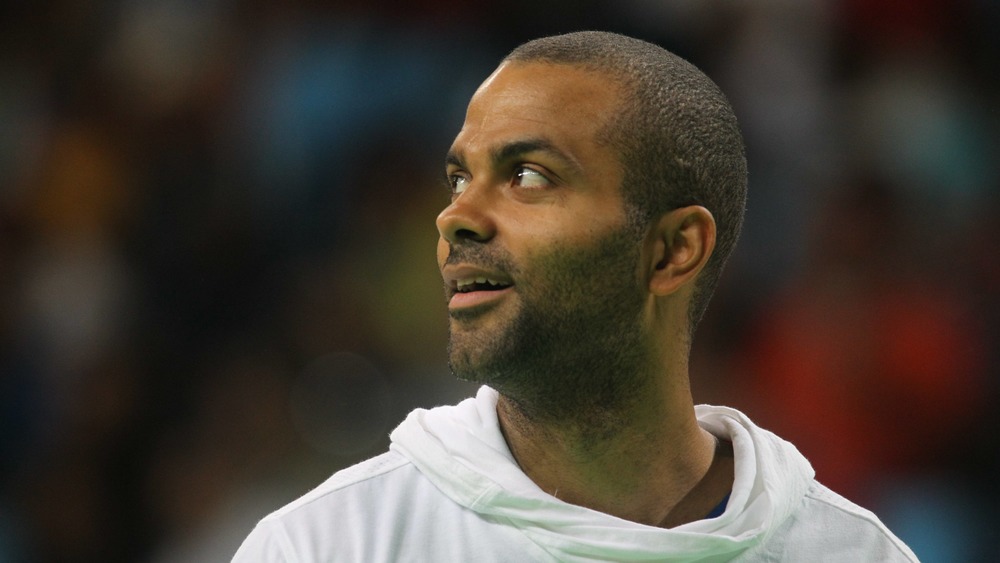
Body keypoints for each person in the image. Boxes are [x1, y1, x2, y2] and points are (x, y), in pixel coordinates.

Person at [232, 31, 917, 562]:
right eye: (456, 178)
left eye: (528, 175)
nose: (456, 216)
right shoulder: (328, 544)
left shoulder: (852, 552)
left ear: (674, 249)